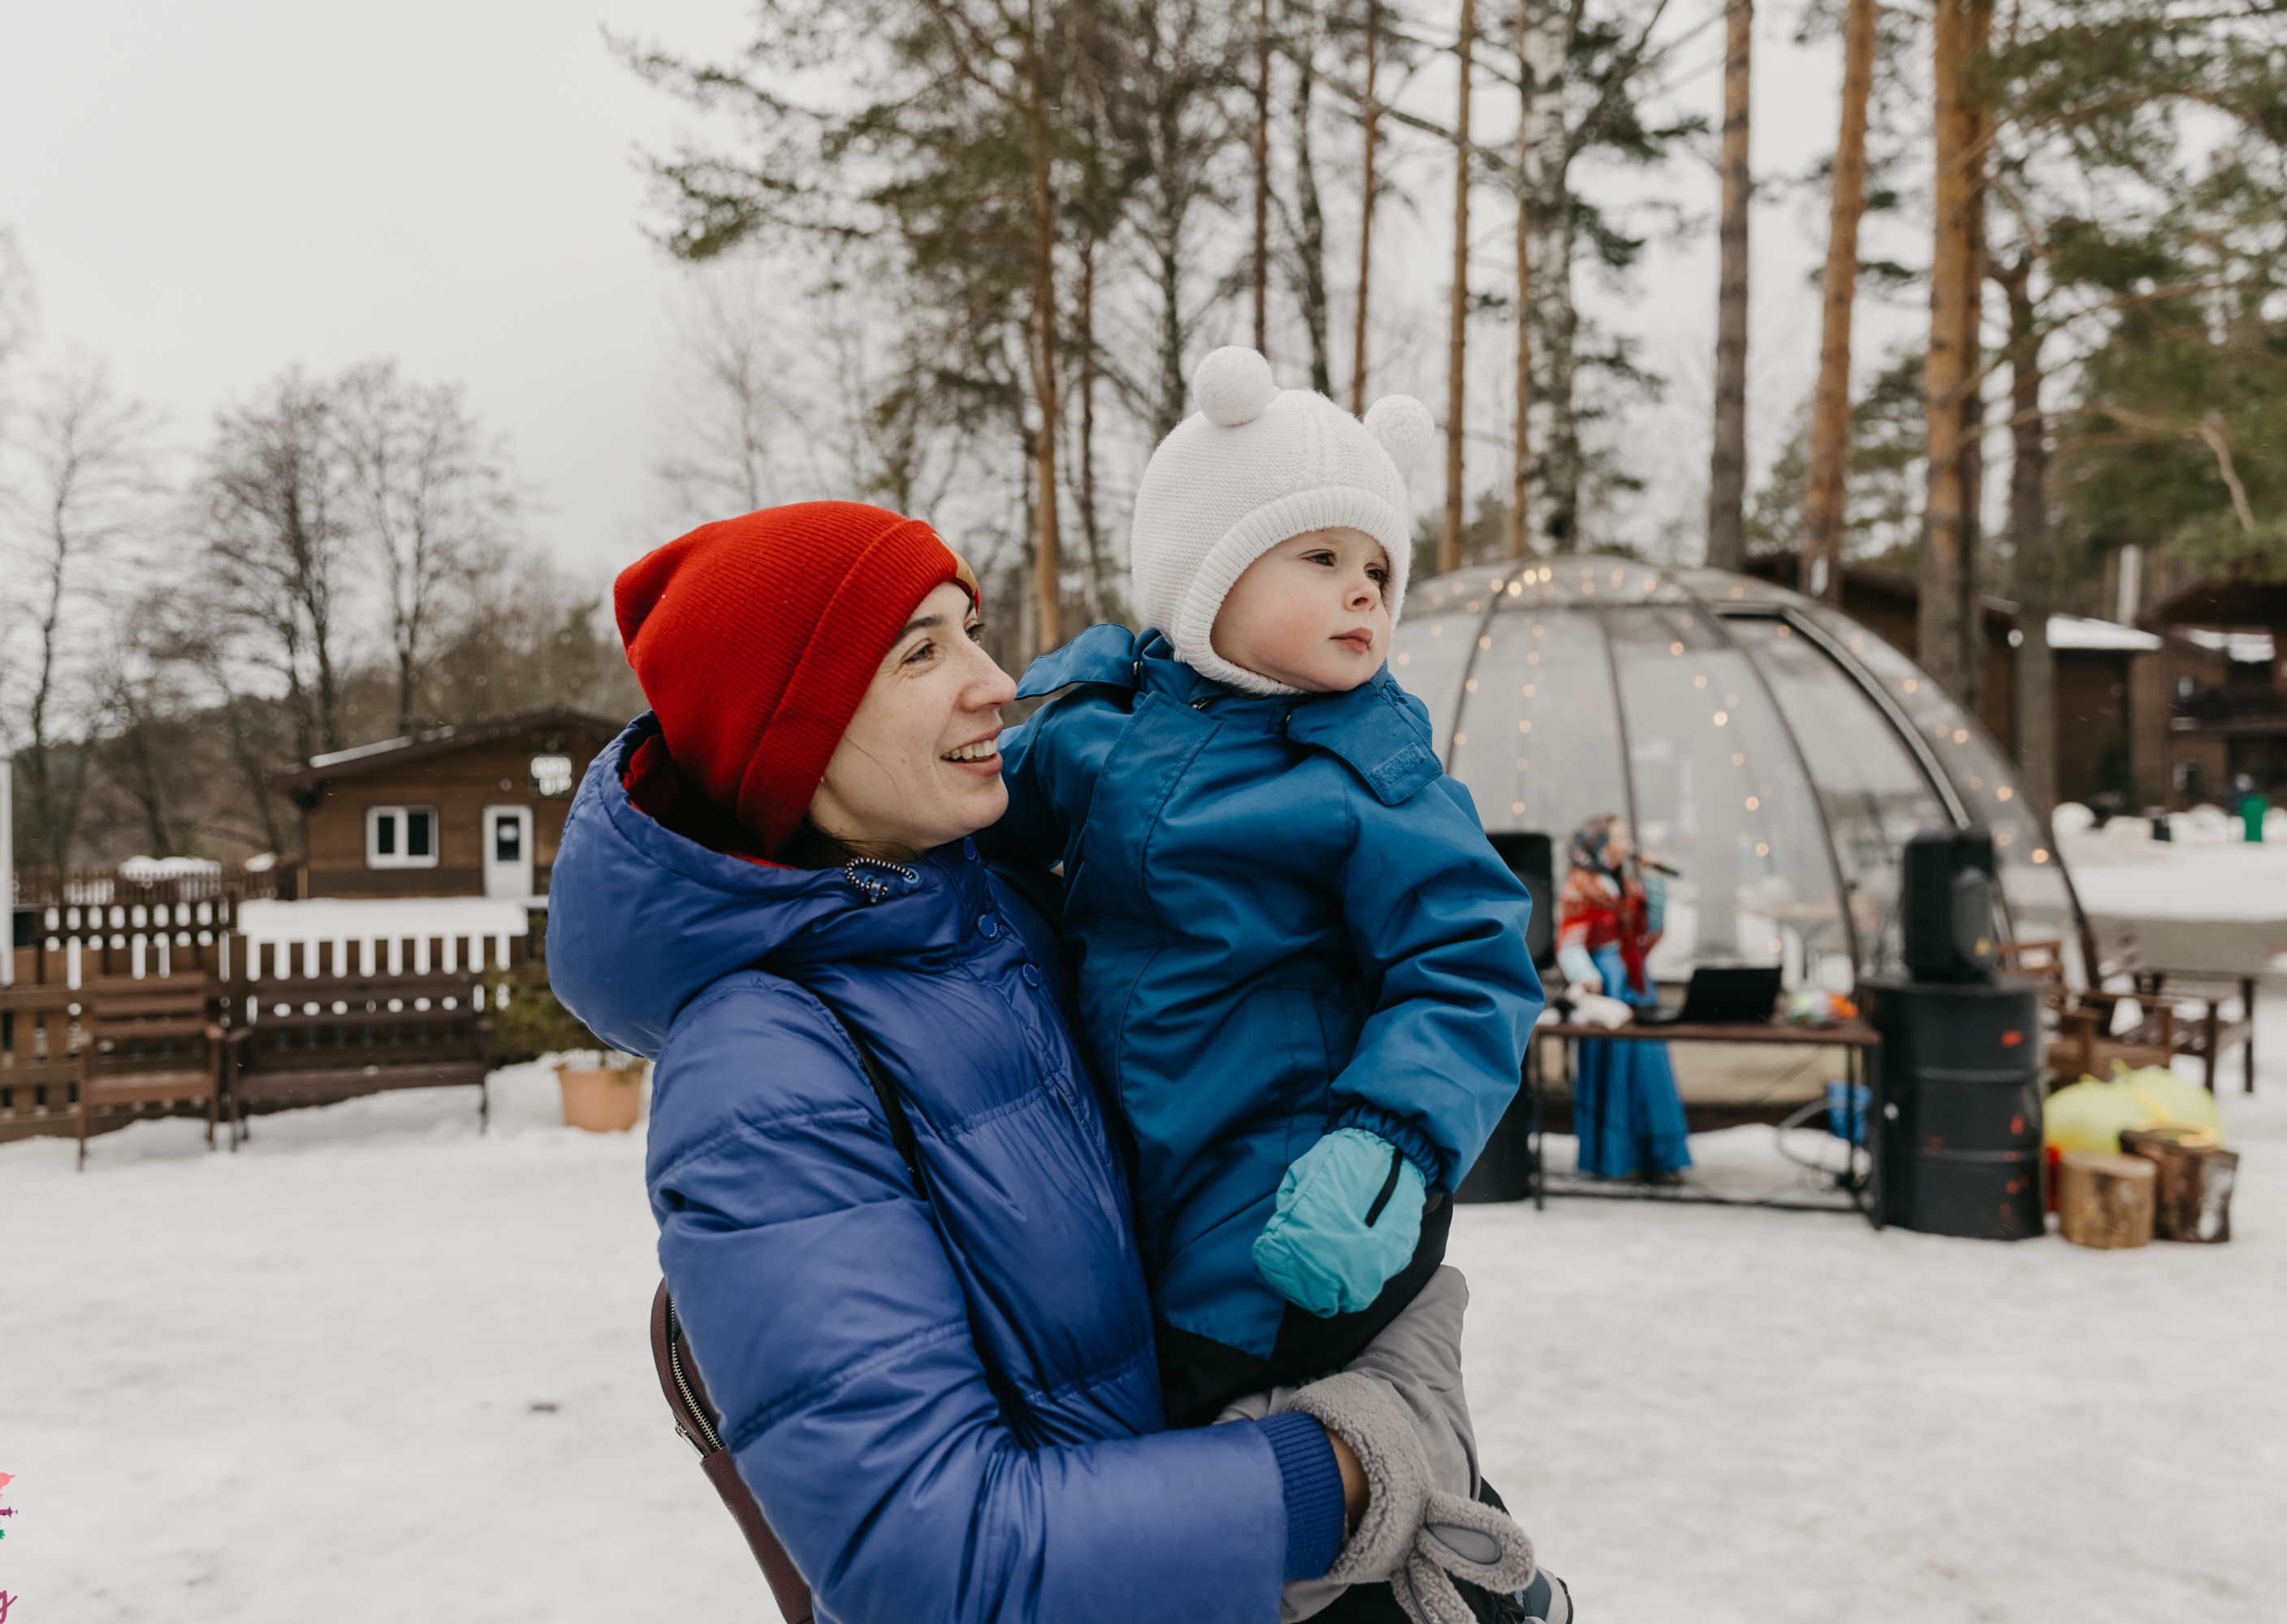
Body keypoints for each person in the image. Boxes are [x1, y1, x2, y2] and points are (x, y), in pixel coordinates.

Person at [543, 503, 1553, 1624]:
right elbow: (931, 1557)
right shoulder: (761, 1074)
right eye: (923, 652)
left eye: (970, 630)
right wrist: (1350, 1468)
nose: (994, 679)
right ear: (797, 732)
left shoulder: (1012, 916)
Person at [989, 349, 1550, 1618]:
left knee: (1271, 1458)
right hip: (1140, 1173)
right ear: (1203, 573)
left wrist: (1392, 1140)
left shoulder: (1372, 770)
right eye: (1321, 559)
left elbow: (1471, 959)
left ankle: (1472, 1585)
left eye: (1379, 571)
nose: (1364, 593)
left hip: (1299, 1188)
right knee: (1177, 1449)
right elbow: (975, 828)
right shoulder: (1088, 718)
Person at [1554, 814, 1690, 1181]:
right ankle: (1614, 1157)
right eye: (1617, 836)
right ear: (1597, 845)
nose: (1625, 842)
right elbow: (1569, 940)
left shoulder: (1627, 881)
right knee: (1613, 1063)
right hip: (1608, 979)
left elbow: (1651, 930)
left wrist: (1655, 879)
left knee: (1648, 1063)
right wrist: (1586, 975)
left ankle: (1657, 1156)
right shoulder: (1580, 885)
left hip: (1634, 975)